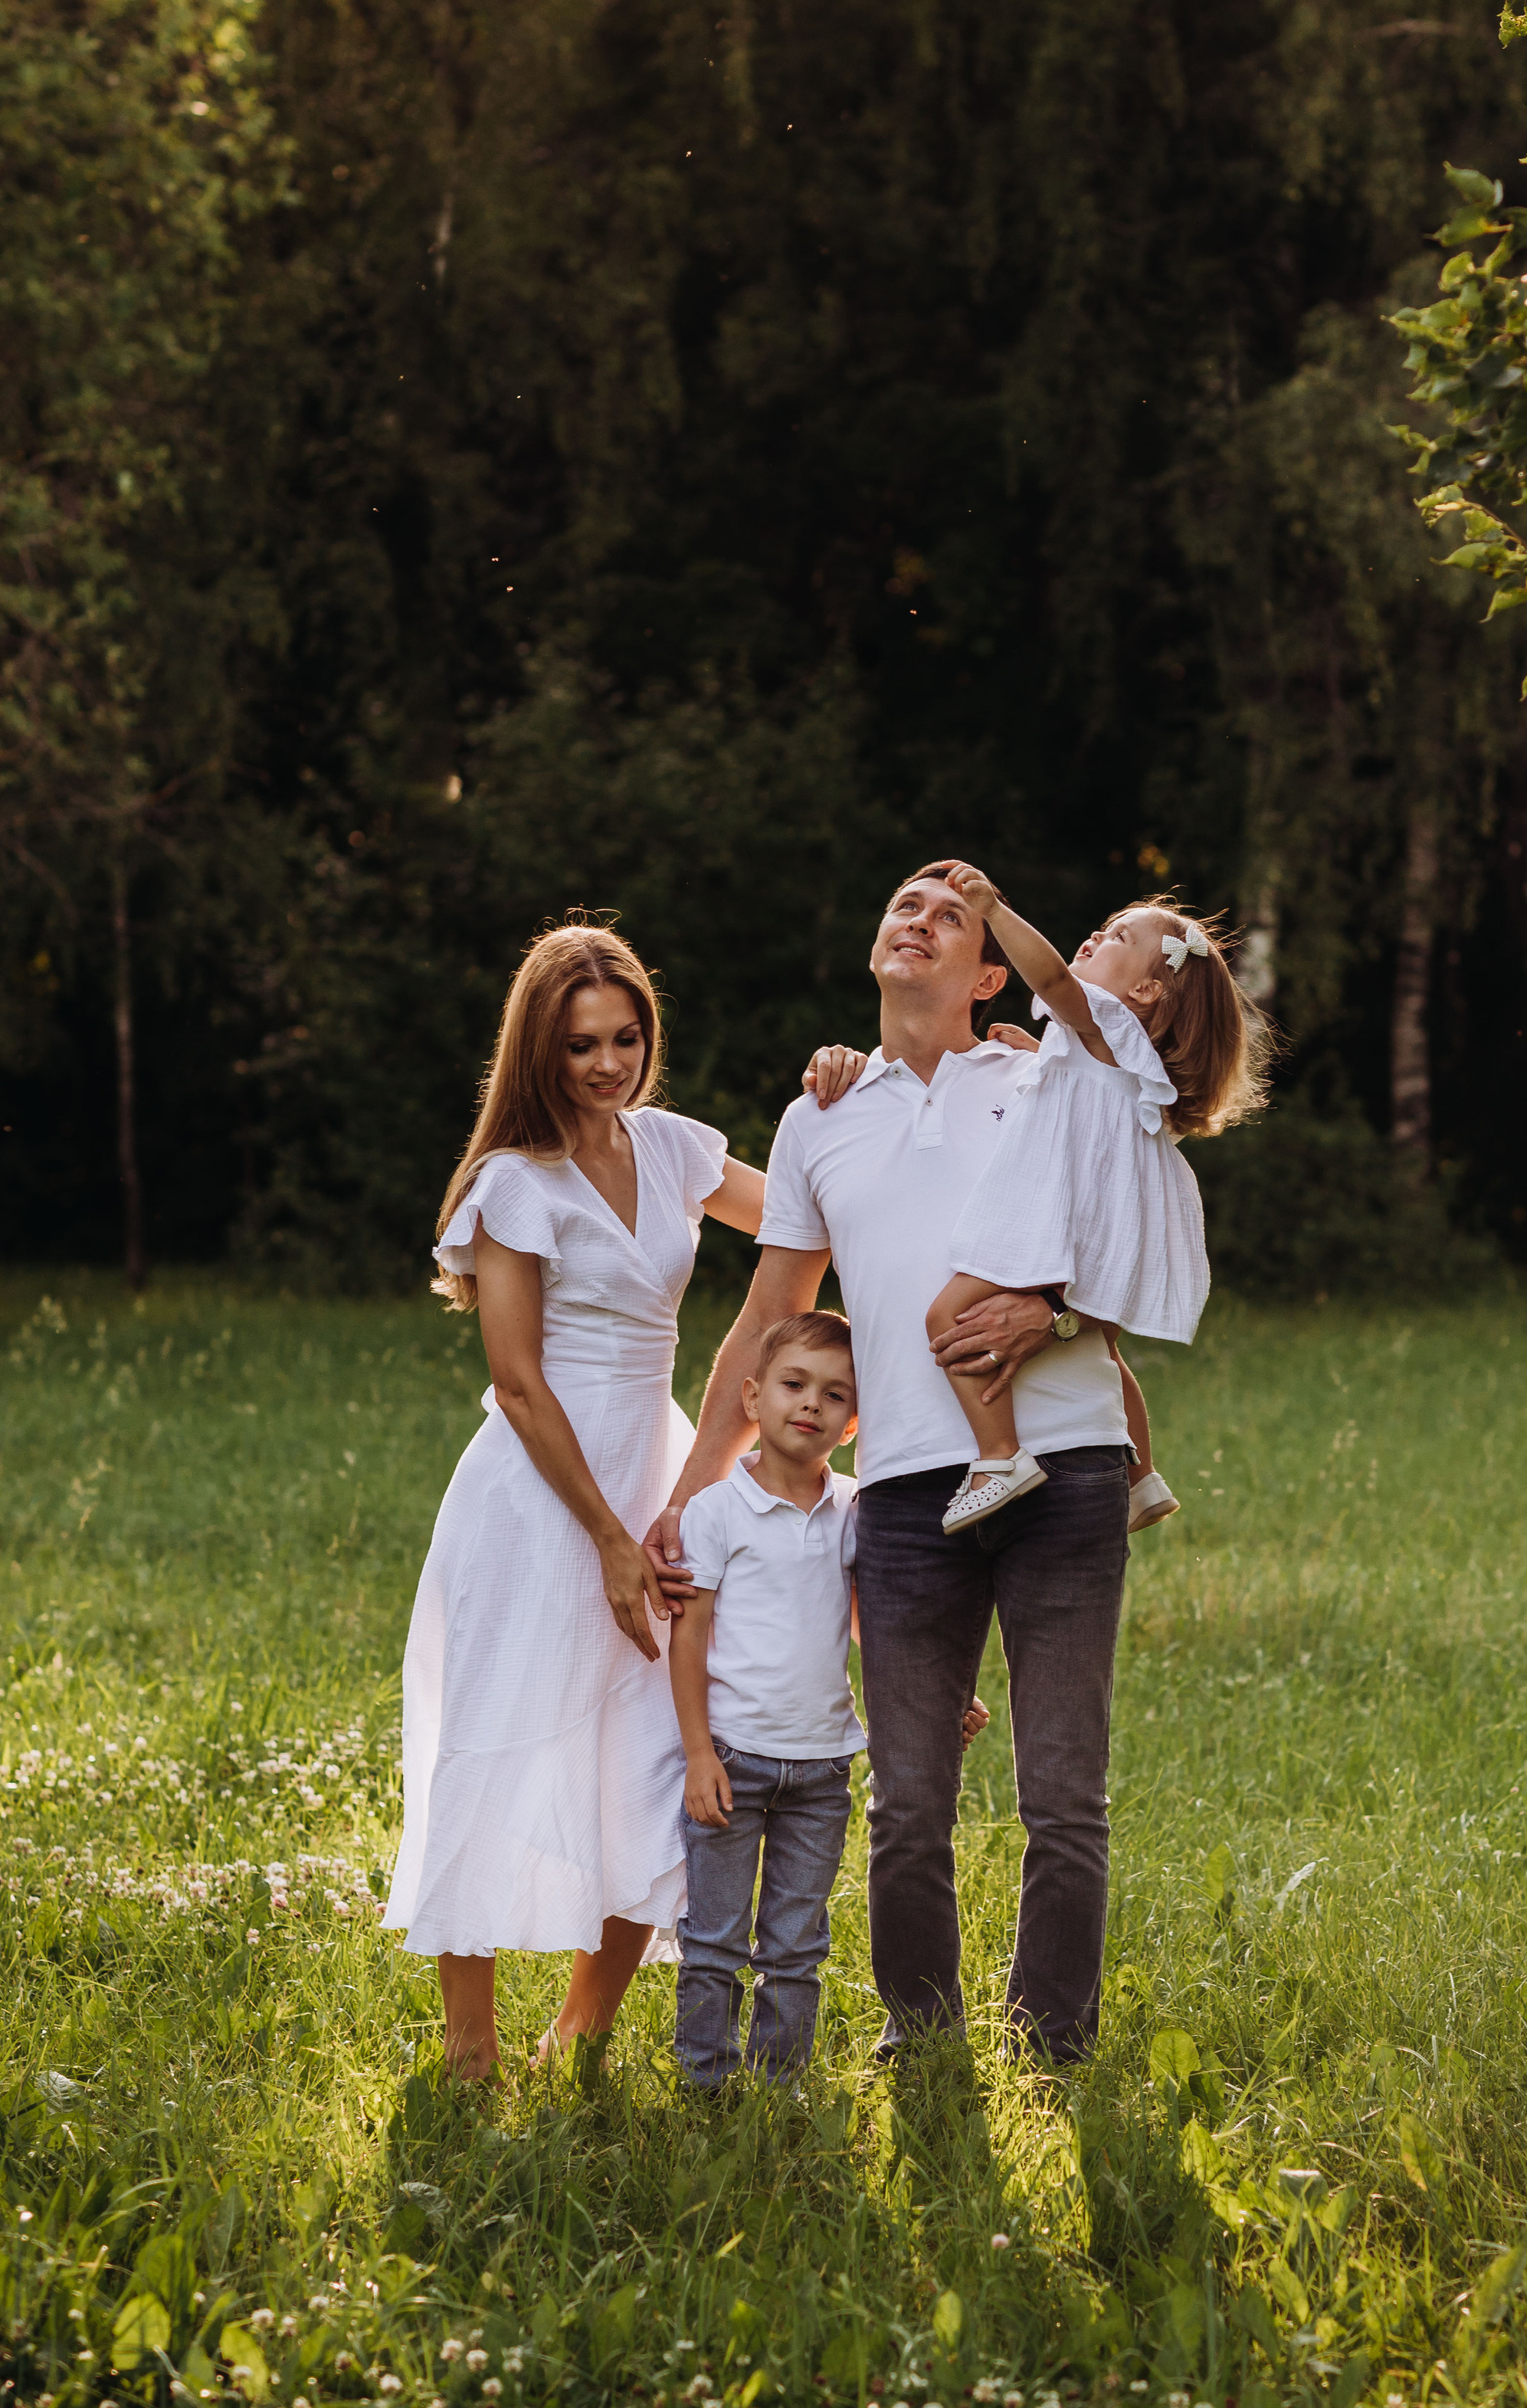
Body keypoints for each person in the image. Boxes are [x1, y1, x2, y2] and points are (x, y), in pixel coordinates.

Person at [655, 862, 1139, 2066]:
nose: (916, 919)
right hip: (912, 1493)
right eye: (901, 905)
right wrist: (687, 1497)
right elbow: (770, 1320)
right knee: (910, 1801)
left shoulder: (1040, 1081)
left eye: (949, 913)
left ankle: (1052, 2046)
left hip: (1065, 1463)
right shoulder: (822, 1115)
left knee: (1062, 1795)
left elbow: (1137, 1251)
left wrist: (1058, 1319)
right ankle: (921, 2037)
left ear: (988, 972)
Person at [384, 919, 770, 2083]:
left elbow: (818, 1209)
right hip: (540, 1492)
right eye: (581, 1045)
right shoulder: (513, 1182)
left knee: (659, 1748)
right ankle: (469, 2047)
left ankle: (583, 2033)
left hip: (661, 1466)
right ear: (538, 1055)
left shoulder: (682, 1150)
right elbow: (515, 1378)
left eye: (627, 1036)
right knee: (500, 1735)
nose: (609, 1063)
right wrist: (606, 1536)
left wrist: (856, 1091)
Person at [926, 864, 1268, 1533]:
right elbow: (1078, 1087)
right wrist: (1039, 1048)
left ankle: (998, 1457)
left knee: (946, 1315)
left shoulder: (1103, 1019)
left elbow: (1052, 980)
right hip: (1108, 1233)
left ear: (1142, 989)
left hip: (1063, 1225)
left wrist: (994, 910)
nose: (1092, 936)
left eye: (1114, 937)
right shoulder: (1116, 1052)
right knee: (1103, 1354)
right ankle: (1141, 1477)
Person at [667, 1311, 866, 2085]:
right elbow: (690, 1639)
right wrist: (695, 1755)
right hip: (731, 1759)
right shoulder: (716, 1512)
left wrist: (931, 1700)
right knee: (714, 1938)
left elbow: (864, 1624)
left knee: (795, 1944)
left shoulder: (853, 1508)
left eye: (833, 1395)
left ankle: (779, 2083)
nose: (809, 1404)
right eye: (793, 1385)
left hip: (822, 1769)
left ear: (851, 1424)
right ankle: (704, 2084)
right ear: (752, 1397)